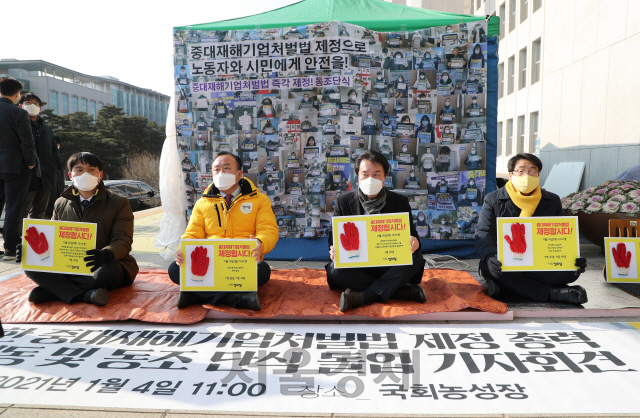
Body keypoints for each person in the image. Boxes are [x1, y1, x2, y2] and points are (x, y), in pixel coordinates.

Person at [17, 152, 138, 305]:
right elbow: (54, 238)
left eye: (91, 170)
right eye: (79, 170)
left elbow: (123, 240)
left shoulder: (119, 203)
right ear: (70, 176)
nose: (85, 174)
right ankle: (85, 296)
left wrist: (106, 254)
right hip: (69, 266)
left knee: (107, 273)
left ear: (100, 174)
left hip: (103, 264)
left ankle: (54, 291)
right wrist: (30, 251)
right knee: (30, 268)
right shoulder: (61, 203)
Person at [169, 152, 278, 309]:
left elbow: (268, 230)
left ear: (239, 174)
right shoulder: (202, 203)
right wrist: (182, 251)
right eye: (216, 169)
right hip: (210, 262)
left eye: (227, 168)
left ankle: (196, 295)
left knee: (262, 271)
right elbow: (192, 233)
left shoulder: (259, 200)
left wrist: (260, 243)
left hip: (240, 261)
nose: (221, 173)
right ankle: (235, 298)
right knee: (174, 269)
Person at [475, 153, 588, 304]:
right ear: (511, 174)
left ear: (538, 175)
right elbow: (483, 233)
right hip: (509, 262)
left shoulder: (552, 200)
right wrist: (490, 256)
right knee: (490, 267)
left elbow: (563, 235)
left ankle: (510, 288)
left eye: (532, 171)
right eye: (521, 171)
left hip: (542, 262)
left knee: (569, 272)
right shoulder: (493, 199)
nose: (526, 175)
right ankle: (551, 293)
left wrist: (572, 256)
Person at [326, 151, 426, 311]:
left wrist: (414, 242)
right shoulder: (344, 202)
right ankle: (398, 291)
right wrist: (333, 250)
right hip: (358, 266)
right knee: (334, 270)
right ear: (357, 177)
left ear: (385, 177)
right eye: (365, 174)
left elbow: (413, 236)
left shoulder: (399, 202)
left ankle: (364, 296)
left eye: (376, 174)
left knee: (417, 259)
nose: (370, 179)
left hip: (389, 264)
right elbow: (333, 239)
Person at [0, 77, 36, 259]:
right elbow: (26, 142)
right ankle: (10, 248)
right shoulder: (19, 113)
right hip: (15, 167)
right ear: (17, 94)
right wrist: (31, 162)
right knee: (14, 208)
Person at [16, 94, 61, 220]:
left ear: (40, 108)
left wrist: (56, 165)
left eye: (36, 103)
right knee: (22, 210)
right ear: (21, 106)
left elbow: (54, 148)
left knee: (40, 211)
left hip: (46, 176)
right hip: (27, 175)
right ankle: (19, 238)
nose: (33, 105)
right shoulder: (18, 125)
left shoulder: (46, 128)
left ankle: (35, 239)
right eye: (28, 102)